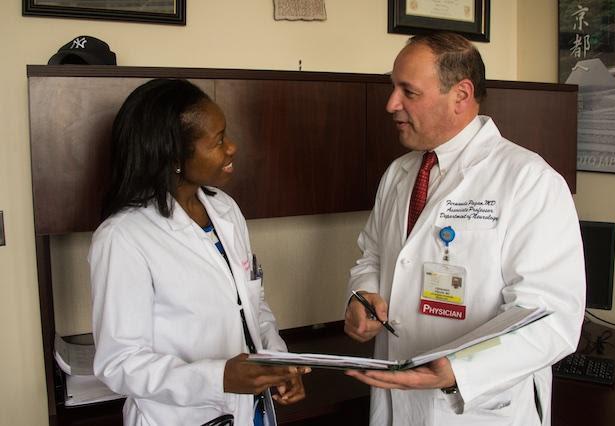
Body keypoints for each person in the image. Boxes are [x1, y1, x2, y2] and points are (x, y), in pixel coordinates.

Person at [344, 32, 585, 426]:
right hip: (394, 397)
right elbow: (372, 253)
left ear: (460, 94)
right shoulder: (399, 173)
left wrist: (461, 369)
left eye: (409, 92)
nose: (391, 104)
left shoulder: (529, 181)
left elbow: (551, 317)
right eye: (393, 88)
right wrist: (363, 293)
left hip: (474, 408)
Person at [89, 78, 308, 426]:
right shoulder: (123, 237)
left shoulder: (226, 211)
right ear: (175, 156)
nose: (232, 147)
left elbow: (252, 305)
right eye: (218, 141)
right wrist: (219, 377)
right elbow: (120, 363)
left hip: (251, 412)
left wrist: (276, 362)